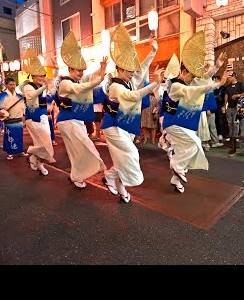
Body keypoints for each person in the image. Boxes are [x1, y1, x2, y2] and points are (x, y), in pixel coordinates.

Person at [162, 31, 229, 193]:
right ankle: (176, 164)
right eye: (191, 75)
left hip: (182, 123)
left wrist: (217, 66)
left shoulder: (188, 82)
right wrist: (216, 85)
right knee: (193, 144)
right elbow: (197, 89)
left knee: (192, 147)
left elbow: (203, 77)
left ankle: (176, 178)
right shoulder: (177, 85)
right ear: (183, 72)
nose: (193, 79)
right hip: (174, 124)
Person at [101, 23, 160, 203]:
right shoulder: (116, 86)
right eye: (128, 71)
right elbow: (132, 96)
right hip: (113, 127)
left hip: (125, 125)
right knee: (131, 154)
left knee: (123, 158)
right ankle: (111, 177)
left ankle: (119, 184)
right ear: (119, 69)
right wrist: (155, 84)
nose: (132, 73)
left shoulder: (129, 79)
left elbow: (142, 69)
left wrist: (153, 51)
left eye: (132, 71)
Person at [55, 31, 107, 188]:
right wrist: (98, 80)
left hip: (76, 120)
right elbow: (80, 88)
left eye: (82, 71)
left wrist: (101, 69)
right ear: (70, 69)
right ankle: (81, 174)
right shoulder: (65, 83)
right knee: (84, 147)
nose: (81, 73)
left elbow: (89, 77)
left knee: (78, 151)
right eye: (78, 71)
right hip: (67, 121)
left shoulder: (78, 79)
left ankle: (76, 176)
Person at [22, 54, 57, 176]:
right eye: (39, 75)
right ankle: (34, 157)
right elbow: (32, 96)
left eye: (43, 75)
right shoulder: (27, 86)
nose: (42, 77)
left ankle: (35, 159)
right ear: (33, 75)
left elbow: (53, 80)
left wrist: (56, 68)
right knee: (45, 144)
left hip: (43, 117)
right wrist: (43, 87)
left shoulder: (43, 86)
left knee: (43, 143)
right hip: (33, 117)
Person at [0, 77, 29, 160]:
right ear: (6, 85)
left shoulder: (19, 96)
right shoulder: (1, 96)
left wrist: (24, 117)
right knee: (11, 136)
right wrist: (1, 114)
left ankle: (20, 151)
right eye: (10, 84)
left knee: (19, 136)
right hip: (9, 119)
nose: (12, 86)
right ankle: (10, 153)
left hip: (18, 119)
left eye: (14, 84)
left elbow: (23, 108)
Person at [223, 72, 244, 141]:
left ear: (234, 77)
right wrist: (225, 105)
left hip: (237, 106)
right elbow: (226, 96)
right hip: (229, 106)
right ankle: (230, 135)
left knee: (235, 122)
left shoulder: (240, 84)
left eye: (230, 77)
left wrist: (237, 95)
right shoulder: (228, 86)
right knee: (229, 122)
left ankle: (236, 136)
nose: (229, 78)